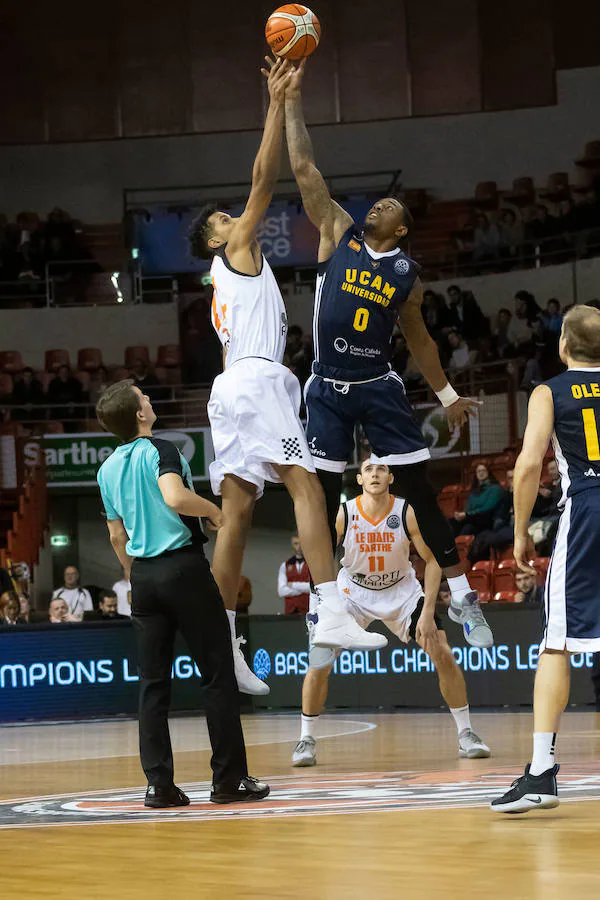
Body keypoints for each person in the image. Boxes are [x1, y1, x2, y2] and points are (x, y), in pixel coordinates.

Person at [187, 55, 387, 696]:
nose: (234, 219)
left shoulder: (223, 282)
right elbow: (263, 179)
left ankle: (223, 641)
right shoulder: (237, 250)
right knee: (307, 486)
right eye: (223, 220)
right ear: (217, 240)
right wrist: (275, 103)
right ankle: (331, 609)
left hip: (229, 388)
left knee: (236, 513)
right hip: (259, 380)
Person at [283, 61, 492, 651]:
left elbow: (420, 340)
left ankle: (465, 598)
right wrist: (292, 102)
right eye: (376, 204)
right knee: (321, 494)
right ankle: (325, 607)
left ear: (402, 232)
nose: (378, 207)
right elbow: (303, 169)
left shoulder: (406, 274)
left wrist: (448, 396)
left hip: (378, 384)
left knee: (419, 492)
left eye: (389, 208)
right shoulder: (339, 234)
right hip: (325, 385)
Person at [96, 379, 269, 806]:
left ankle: (159, 786)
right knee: (217, 674)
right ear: (139, 415)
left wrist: (136, 574)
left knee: (153, 685)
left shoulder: (106, 469)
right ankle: (228, 781)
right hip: (183, 567)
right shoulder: (162, 449)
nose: (151, 399)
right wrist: (213, 512)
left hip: (144, 578)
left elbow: (117, 536)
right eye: (145, 397)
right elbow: (175, 497)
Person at [292, 459, 490, 767]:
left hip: (401, 592)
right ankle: (306, 739)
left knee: (442, 651)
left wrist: (426, 612)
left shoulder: (405, 510)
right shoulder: (345, 513)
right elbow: (319, 557)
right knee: (320, 662)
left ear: (391, 477)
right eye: (368, 469)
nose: (374, 473)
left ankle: (467, 734)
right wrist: (320, 606)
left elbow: (434, 559)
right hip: (353, 593)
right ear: (359, 479)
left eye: (381, 469)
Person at [492, 305, 600, 814]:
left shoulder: (549, 391)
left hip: (587, 511)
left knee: (556, 643)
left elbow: (530, 462)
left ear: (562, 346)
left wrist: (519, 534)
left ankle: (540, 772)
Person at [451, 464, 505, 537]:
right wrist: (462, 515)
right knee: (452, 522)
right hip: (473, 519)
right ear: (476, 475)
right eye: (478, 471)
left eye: (483, 470)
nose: (481, 473)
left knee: (467, 528)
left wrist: (467, 514)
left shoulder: (496, 488)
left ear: (488, 472)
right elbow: (468, 508)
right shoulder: (474, 491)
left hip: (487, 519)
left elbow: (488, 508)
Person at [278, 535, 311, 615]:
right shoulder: (285, 565)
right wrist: (304, 589)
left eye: (301, 543)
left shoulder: (311, 565)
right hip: (290, 611)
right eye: (296, 543)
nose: (299, 546)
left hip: (308, 609)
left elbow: (312, 588)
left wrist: (292, 585)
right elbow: (281, 591)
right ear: (292, 545)